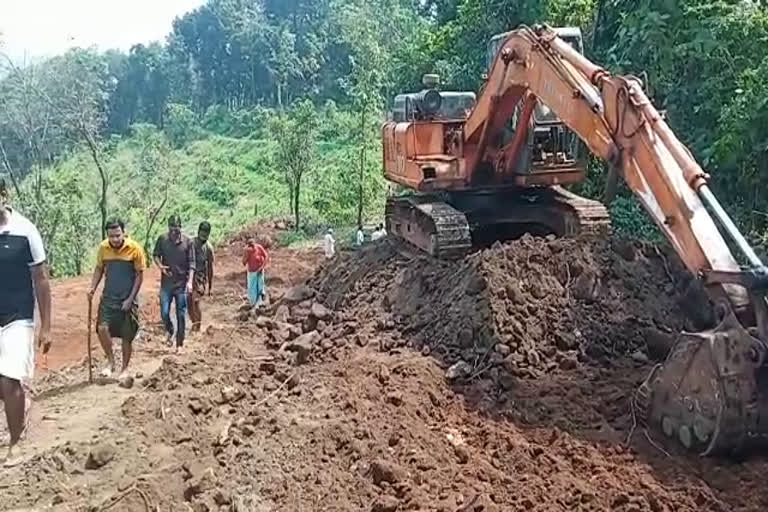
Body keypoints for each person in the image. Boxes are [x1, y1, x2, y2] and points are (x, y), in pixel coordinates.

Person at [0, 180, 52, 465]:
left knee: (9, 380)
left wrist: (47, 326)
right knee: (4, 385)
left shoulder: (25, 230)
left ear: (3, 195)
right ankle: (21, 407)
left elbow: (41, 280)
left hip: (18, 316)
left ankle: (15, 443)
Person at [87, 218, 145, 378]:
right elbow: (99, 269)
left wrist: (130, 299)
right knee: (102, 328)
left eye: (118, 235)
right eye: (111, 236)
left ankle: (124, 369)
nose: (115, 239)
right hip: (108, 298)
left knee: (127, 336)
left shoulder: (135, 249)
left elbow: (140, 276)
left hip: (127, 299)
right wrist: (92, 288)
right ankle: (111, 362)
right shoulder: (103, 248)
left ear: (124, 232)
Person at [153, 215, 195, 353]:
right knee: (164, 312)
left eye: (176, 229)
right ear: (168, 228)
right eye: (171, 228)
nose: (174, 232)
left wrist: (189, 282)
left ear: (180, 228)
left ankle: (179, 344)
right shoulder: (162, 240)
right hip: (166, 283)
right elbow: (155, 255)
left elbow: (192, 264)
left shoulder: (188, 242)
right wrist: (160, 266)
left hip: (181, 284)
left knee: (181, 313)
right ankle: (170, 330)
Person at [189, 222, 214, 333]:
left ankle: (197, 328)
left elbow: (210, 268)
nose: (203, 237)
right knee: (189, 302)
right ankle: (194, 323)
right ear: (198, 232)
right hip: (189, 276)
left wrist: (210, 286)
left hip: (200, 279)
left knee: (195, 301)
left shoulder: (208, 248)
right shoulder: (191, 243)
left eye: (206, 235)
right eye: (202, 234)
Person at [242, 238, 268, 306]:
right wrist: (246, 254)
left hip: (260, 270)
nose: (253, 248)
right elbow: (244, 262)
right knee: (252, 288)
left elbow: (266, 256)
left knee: (260, 286)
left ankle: (261, 300)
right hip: (252, 272)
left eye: (253, 246)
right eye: (251, 247)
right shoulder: (247, 251)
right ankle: (252, 302)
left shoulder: (259, 247)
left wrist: (262, 267)